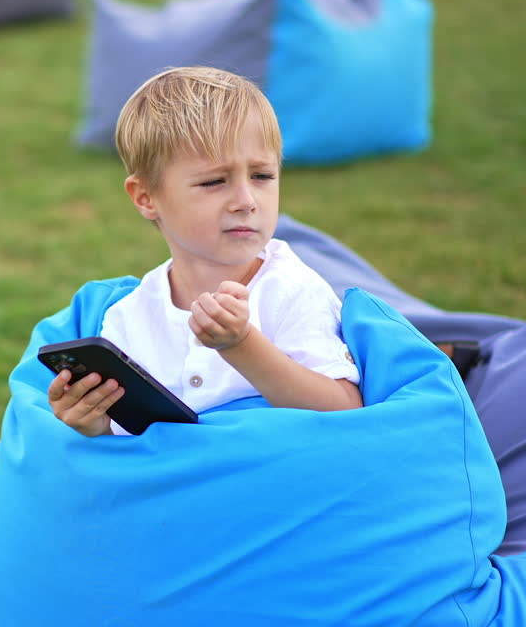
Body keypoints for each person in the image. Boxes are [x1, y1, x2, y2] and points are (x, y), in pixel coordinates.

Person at [48, 66, 362, 436]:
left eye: (262, 176)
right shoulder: (129, 318)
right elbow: (137, 447)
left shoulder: (290, 289)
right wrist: (95, 424)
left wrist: (242, 345)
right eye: (214, 181)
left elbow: (345, 411)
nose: (246, 201)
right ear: (147, 198)